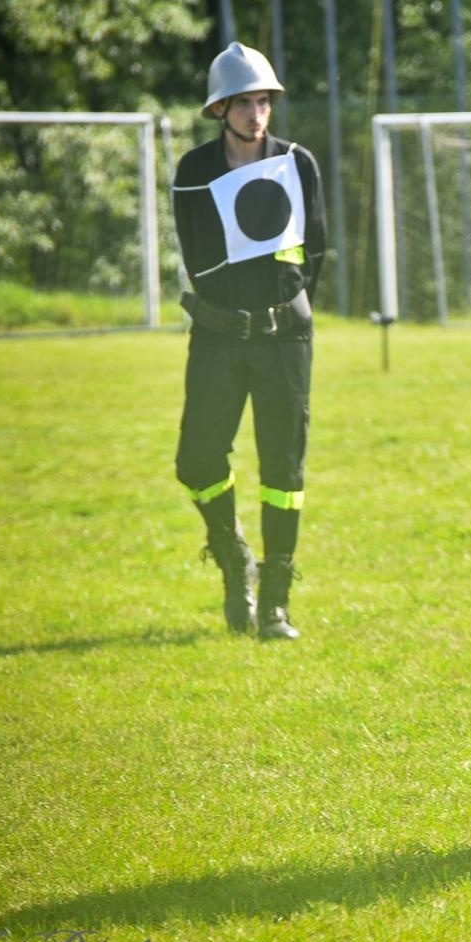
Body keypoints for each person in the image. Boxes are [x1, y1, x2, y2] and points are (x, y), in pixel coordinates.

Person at [171, 41, 327, 641]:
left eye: (263, 102)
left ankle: (276, 604)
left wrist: (283, 307)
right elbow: (197, 258)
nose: (256, 114)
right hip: (216, 337)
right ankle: (236, 561)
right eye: (243, 103)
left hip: (285, 340)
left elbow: (316, 249)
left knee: (284, 468)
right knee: (197, 461)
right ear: (220, 109)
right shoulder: (194, 171)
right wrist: (231, 310)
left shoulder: (298, 162)